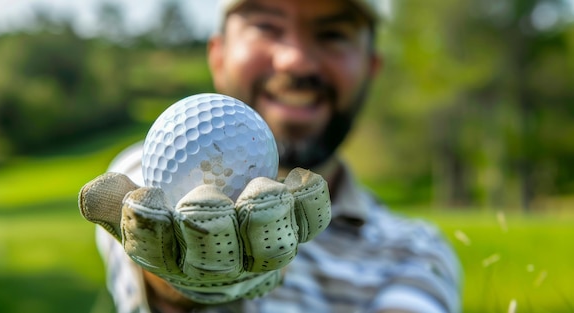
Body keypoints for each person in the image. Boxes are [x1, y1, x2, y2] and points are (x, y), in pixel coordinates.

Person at [79, 0, 462, 312]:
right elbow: (146, 229)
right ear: (218, 57)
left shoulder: (418, 252)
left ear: (371, 68)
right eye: (266, 26)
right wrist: (180, 289)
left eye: (332, 34)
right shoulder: (138, 176)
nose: (295, 61)